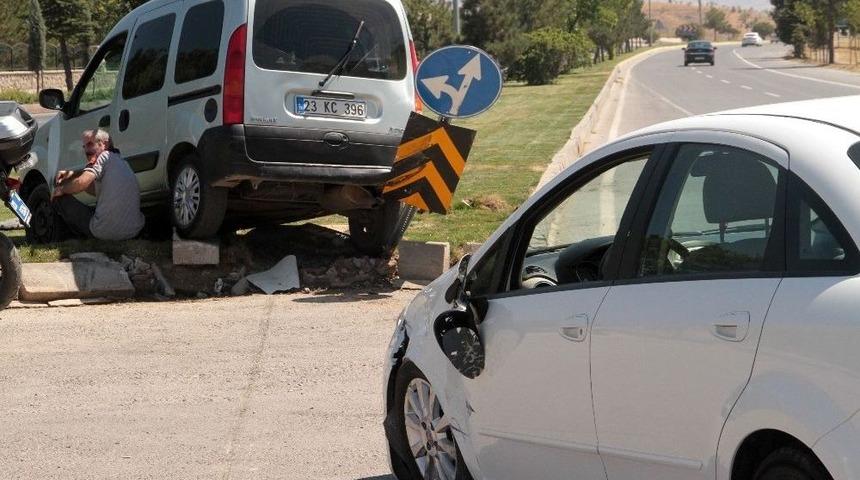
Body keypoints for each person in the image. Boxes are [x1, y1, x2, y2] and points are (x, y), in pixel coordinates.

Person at [52, 129, 145, 241]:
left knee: (59, 197)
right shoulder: (121, 162)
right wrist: (71, 174)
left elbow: (82, 183)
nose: (86, 150)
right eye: (84, 146)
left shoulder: (102, 156)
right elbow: (92, 189)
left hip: (104, 232)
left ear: (104, 144)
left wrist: (62, 189)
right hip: (133, 232)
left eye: (90, 144)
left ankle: (71, 237)